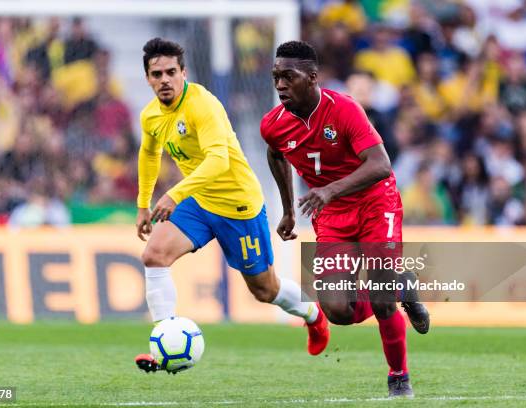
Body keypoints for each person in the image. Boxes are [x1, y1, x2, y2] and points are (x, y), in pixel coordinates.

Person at [133, 38, 329, 373]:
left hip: (238, 206)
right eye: (156, 74)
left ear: (184, 72)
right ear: (148, 78)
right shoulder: (151, 115)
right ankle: (163, 339)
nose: (164, 79)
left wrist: (174, 194)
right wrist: (143, 203)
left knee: (265, 290)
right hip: (200, 201)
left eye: (170, 72)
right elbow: (150, 153)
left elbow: (218, 161)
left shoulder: (202, 105)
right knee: (154, 255)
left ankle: (313, 315)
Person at [260, 41, 430, 398]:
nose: (280, 85)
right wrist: (289, 210)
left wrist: (330, 190)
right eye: (276, 77)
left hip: (374, 201)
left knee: (381, 301)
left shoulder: (345, 110)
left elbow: (381, 164)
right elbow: (276, 155)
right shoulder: (273, 125)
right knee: (337, 309)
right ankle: (402, 286)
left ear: (312, 77)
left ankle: (398, 377)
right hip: (332, 214)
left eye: (288, 77)